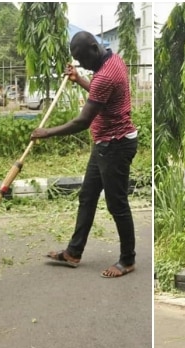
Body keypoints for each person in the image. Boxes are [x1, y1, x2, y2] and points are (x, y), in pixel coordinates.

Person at [30, 31, 138, 278]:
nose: (81, 63)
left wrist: (46, 132)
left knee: (117, 205)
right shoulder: (113, 60)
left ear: (93, 47)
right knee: (87, 197)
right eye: (76, 60)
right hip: (104, 145)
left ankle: (128, 260)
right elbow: (101, 98)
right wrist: (79, 79)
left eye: (81, 58)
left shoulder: (105, 75)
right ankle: (73, 252)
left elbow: (82, 121)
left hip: (116, 146)